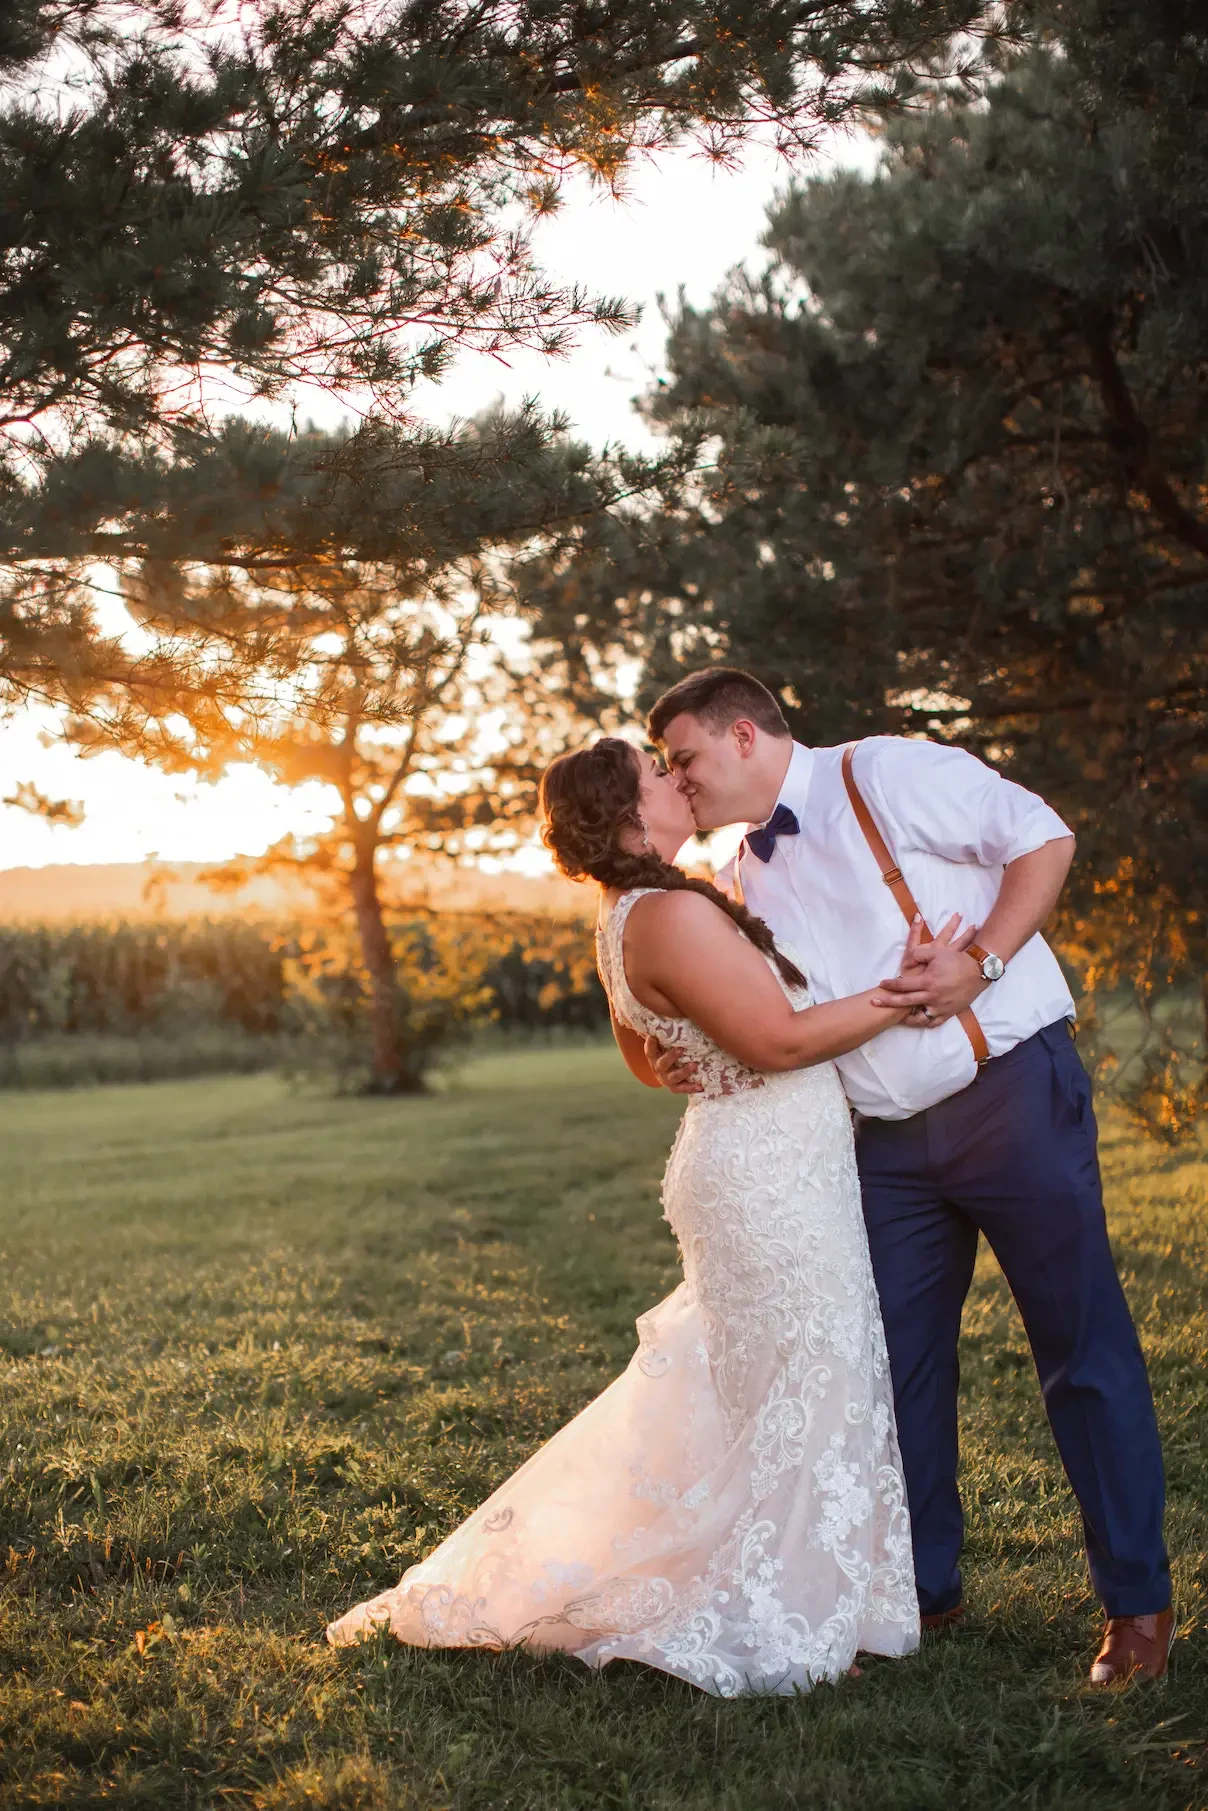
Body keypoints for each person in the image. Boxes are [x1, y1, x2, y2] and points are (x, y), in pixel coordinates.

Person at [327, 734, 945, 1694]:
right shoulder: (663, 911)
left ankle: (812, 1595)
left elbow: (646, 1057)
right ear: (624, 810)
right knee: (803, 1381)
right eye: (658, 772)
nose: (678, 777)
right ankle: (790, 1617)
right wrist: (900, 995)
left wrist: (719, 1058)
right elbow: (779, 1040)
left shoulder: (627, 914)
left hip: (757, 1162)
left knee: (780, 1386)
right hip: (767, 1175)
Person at [638, 665, 1173, 1687]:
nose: (680, 780)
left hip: (1004, 1091)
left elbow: (1043, 835)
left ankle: (1135, 1607)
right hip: (876, 1144)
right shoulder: (740, 878)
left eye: (685, 758)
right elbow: (771, 1023)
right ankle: (921, 1589)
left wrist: (984, 959)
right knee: (889, 1370)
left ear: (743, 735)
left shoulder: (879, 772)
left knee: (1079, 1345)